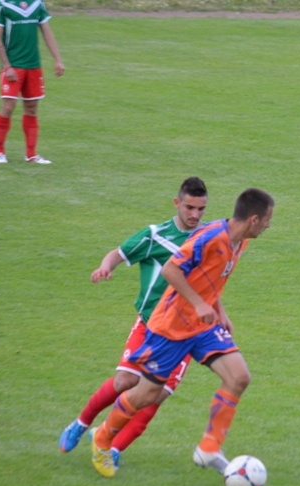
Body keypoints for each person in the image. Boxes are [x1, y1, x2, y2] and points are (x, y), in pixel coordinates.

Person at [90, 188, 275, 479]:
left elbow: (211, 278)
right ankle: (102, 437)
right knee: (146, 394)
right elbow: (170, 270)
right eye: (267, 220)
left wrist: (220, 311)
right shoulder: (209, 237)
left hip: (202, 327)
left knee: (239, 377)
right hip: (171, 327)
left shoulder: (240, 242)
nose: (268, 225)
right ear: (253, 219)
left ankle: (209, 448)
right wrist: (199, 304)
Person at [59, 177, 210, 467]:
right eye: (189, 207)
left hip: (186, 333)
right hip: (150, 325)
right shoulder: (155, 235)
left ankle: (112, 450)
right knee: (125, 381)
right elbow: (118, 254)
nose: (195, 214)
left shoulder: (208, 237)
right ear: (176, 203)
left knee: (155, 397)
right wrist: (105, 267)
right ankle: (81, 423)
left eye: (201, 209)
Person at [0, 0, 64, 165]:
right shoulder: (1, 4)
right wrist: (7, 66)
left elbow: (47, 31)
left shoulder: (37, 3)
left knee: (31, 108)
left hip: (33, 65)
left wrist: (58, 59)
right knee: (8, 106)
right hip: (13, 65)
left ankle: (31, 154)